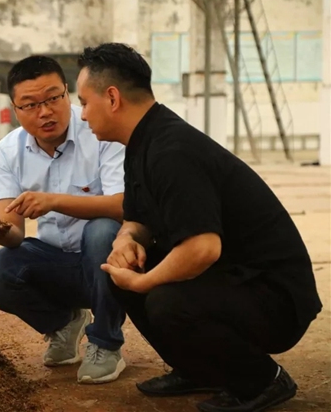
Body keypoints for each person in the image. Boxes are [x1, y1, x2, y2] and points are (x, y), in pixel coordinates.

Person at [74, 42, 322, 412]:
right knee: (122, 273)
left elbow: (203, 248)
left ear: (112, 98)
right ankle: (199, 369)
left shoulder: (171, 151)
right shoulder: (142, 142)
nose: (81, 115)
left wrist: (144, 282)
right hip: (232, 280)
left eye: (83, 102)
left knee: (164, 300)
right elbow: (138, 216)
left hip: (275, 298)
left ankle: (263, 380)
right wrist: (127, 239)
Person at [0, 55, 127, 384]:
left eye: (53, 98)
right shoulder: (9, 150)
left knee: (102, 230)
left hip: (107, 262)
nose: (44, 112)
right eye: (30, 104)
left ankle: (105, 344)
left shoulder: (100, 132)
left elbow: (122, 206)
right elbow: (15, 234)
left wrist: (54, 201)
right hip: (55, 262)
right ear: (15, 109)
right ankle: (64, 324)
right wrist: (0, 232)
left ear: (67, 93)